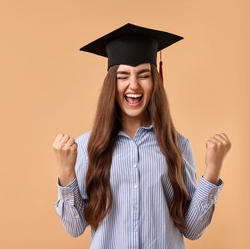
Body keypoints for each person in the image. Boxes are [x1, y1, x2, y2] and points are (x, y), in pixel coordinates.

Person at [52, 23, 231, 249]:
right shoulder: (88, 145)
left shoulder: (177, 145)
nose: (133, 85)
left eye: (143, 75)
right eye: (123, 76)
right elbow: (74, 228)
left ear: (155, 81)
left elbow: (192, 229)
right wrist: (66, 173)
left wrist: (213, 171)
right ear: (111, 84)